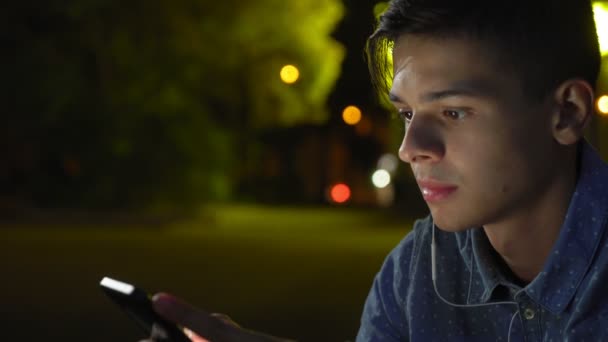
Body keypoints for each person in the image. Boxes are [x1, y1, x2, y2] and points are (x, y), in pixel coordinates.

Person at [145, 0, 607, 340]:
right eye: (407, 114)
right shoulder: (416, 269)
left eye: (453, 113)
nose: (411, 149)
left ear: (566, 113)